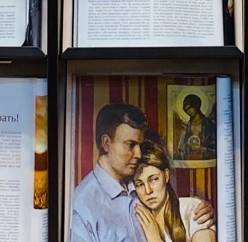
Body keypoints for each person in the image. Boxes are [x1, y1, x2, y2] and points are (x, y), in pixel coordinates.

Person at [70, 102, 150, 242]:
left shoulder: (142, 187)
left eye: (140, 146)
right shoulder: (81, 206)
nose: (139, 154)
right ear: (106, 143)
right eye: (130, 145)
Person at [132, 137, 215, 242]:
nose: (148, 191)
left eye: (154, 179)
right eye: (139, 184)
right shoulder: (137, 220)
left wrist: (155, 239)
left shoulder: (192, 209)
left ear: (166, 176)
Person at [174, 93, 211, 162]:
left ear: (196, 105)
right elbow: (181, 148)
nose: (188, 111)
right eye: (186, 110)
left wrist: (201, 149)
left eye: (190, 108)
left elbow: (215, 150)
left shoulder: (209, 125)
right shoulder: (186, 128)